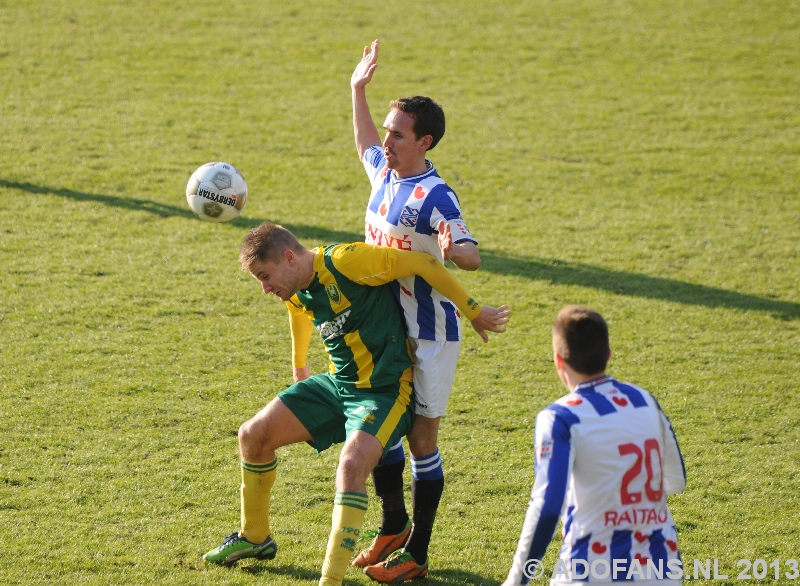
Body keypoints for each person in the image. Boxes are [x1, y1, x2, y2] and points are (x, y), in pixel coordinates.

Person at [202, 222, 510, 586]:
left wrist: (473, 310)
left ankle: (330, 580)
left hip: (384, 391)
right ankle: (255, 538)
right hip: (337, 385)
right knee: (252, 436)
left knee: (350, 465)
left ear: (289, 258)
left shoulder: (348, 262)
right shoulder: (296, 284)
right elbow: (299, 309)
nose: (265, 288)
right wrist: (300, 363)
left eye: (265, 276)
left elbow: (424, 264)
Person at [349, 38, 482, 583]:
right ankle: (393, 525)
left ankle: (417, 553)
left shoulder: (437, 197)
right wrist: (356, 88)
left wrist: (454, 248)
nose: (386, 138)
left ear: (424, 141)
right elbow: (362, 142)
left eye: (397, 133)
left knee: (422, 439)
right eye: (387, 129)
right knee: (380, 426)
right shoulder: (384, 171)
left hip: (430, 334)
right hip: (383, 326)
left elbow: (469, 254)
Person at [502, 306, 686, 586]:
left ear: (558, 362)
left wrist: (516, 581)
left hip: (591, 571)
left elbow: (548, 507)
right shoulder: (646, 400)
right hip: (662, 569)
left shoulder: (559, 417)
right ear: (609, 355)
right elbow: (676, 480)